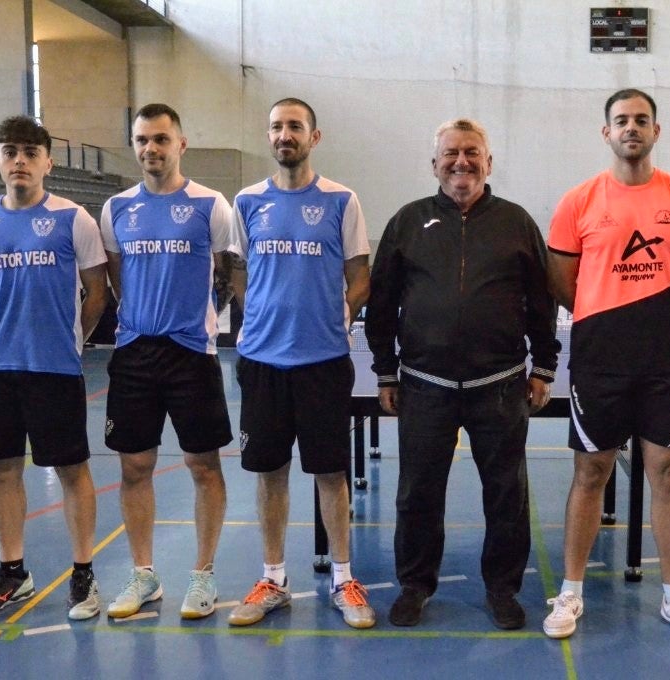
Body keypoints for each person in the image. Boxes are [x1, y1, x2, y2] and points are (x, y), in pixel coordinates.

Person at [365, 118, 560, 630]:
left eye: (472, 152)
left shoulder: (517, 223)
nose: (461, 162)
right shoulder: (407, 222)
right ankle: (415, 584)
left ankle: (502, 588)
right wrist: (385, 372)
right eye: (451, 153)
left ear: (488, 163)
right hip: (423, 387)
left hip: (499, 386)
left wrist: (543, 367)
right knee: (417, 494)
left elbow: (542, 302)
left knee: (506, 495)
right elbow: (381, 304)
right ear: (434, 165)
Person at [544, 89, 670, 643]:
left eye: (641, 120)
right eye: (621, 120)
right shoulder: (578, 201)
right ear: (606, 132)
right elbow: (561, 281)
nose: (631, 128)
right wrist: (607, 316)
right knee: (590, 472)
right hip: (600, 362)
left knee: (667, 474)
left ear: (656, 130)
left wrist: (660, 320)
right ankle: (570, 593)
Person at [227, 98, 375, 629]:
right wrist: (256, 311)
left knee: (331, 471)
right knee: (270, 472)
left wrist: (343, 313)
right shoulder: (246, 202)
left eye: (294, 126)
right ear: (269, 137)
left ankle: (343, 578)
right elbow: (237, 268)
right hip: (262, 359)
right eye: (276, 127)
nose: (284, 134)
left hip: (323, 360)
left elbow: (361, 275)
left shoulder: (341, 200)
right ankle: (274, 578)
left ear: (314, 137)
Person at [0, 115, 107, 620]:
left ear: (47, 160)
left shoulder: (74, 219)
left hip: (53, 367)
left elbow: (97, 294)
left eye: (29, 152)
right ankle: (13, 572)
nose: (19, 160)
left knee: (71, 469)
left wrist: (73, 341)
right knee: (2, 470)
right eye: (10, 151)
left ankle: (83, 573)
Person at [100, 103, 234, 620]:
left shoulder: (210, 205)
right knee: (135, 465)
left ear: (181, 145)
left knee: (204, 464)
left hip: (191, 353)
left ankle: (202, 577)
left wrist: (204, 316)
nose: (150, 149)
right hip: (135, 351)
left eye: (160, 139)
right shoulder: (116, 210)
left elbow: (229, 269)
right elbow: (116, 277)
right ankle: (143, 575)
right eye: (141, 140)